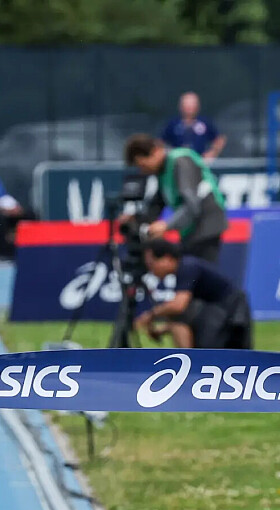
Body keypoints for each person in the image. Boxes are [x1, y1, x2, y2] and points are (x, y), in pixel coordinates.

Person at [123, 134, 227, 263]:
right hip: (191, 230)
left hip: (207, 226)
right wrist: (137, 218)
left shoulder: (180, 161)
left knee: (198, 269)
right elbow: (157, 204)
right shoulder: (162, 170)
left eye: (143, 165)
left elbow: (192, 205)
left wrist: (166, 226)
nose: (143, 171)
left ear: (155, 152)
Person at [135, 238, 251, 350]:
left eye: (152, 264)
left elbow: (178, 306)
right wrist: (165, 328)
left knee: (207, 351)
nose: (151, 270)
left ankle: (189, 358)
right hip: (219, 309)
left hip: (230, 309)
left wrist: (150, 315)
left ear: (167, 258)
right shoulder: (183, 268)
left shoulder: (187, 267)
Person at [160, 92, 226, 161]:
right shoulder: (173, 124)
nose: (189, 108)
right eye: (186, 105)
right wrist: (170, 154)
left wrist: (211, 154)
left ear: (197, 106)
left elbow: (219, 140)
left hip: (199, 161)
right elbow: (160, 142)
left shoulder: (204, 123)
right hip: (178, 162)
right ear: (180, 106)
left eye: (192, 104)